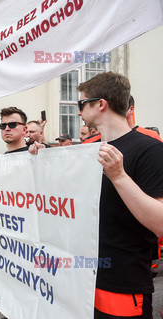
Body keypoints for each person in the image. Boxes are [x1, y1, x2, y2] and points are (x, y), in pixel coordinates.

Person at [76, 72, 163, 318]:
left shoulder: (150, 149)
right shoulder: (88, 150)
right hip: (84, 279)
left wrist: (119, 176)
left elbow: (160, 223)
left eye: (82, 104)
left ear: (100, 104)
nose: (79, 111)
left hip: (122, 283)